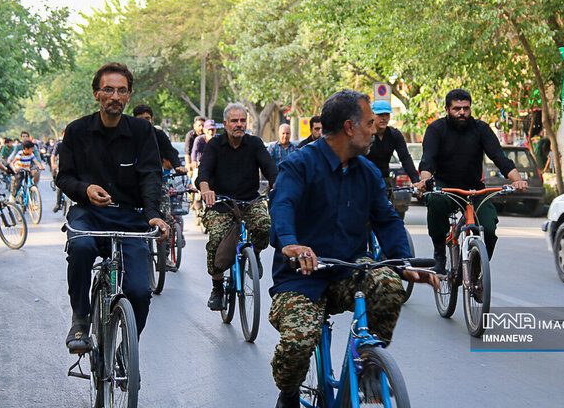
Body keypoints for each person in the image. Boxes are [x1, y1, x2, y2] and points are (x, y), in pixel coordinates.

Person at [267, 90, 438, 407]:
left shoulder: (368, 172)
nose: (375, 130)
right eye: (370, 123)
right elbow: (282, 207)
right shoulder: (299, 165)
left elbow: (387, 221)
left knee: (388, 284)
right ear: (349, 127)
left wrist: (403, 263)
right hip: (301, 278)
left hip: (350, 271)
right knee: (298, 341)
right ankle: (289, 392)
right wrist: (290, 244)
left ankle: (368, 364)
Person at [56, 62, 169, 352]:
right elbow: (64, 177)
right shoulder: (77, 130)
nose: (114, 96)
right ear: (96, 94)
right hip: (88, 215)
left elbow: (151, 176)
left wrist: (154, 215)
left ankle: (127, 347)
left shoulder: (143, 131)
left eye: (121, 90)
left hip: (130, 219)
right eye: (108, 89)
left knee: (140, 292)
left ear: (128, 96)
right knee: (80, 248)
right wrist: (85, 189)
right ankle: (81, 317)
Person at [414, 89, 528, 273]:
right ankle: (439, 254)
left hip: (474, 190)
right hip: (445, 187)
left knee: (489, 229)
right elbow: (428, 160)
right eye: (456, 109)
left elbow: (499, 157)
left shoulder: (481, 129)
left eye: (466, 108)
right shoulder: (436, 129)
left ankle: (476, 271)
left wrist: (518, 180)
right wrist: (425, 181)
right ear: (447, 109)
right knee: (435, 202)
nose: (462, 113)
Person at [197, 102, 278, 310]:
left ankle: (255, 253)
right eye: (234, 121)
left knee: (264, 225)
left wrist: (277, 185)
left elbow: (270, 168)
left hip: (250, 201)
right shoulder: (215, 145)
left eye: (242, 120)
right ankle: (217, 287)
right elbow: (203, 173)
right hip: (221, 204)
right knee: (216, 239)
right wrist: (206, 190)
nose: (239, 124)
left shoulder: (255, 143)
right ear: (225, 124)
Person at [365, 100, 420, 219]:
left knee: (388, 216)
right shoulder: (365, 133)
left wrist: (416, 180)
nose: (384, 118)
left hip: (384, 180)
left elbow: (405, 158)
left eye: (387, 115)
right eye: (380, 115)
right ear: (372, 115)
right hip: (364, 179)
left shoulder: (394, 135)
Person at [132, 104, 186, 173]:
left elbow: (169, 150)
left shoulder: (158, 134)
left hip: (153, 173)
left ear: (152, 119)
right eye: (141, 119)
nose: (144, 122)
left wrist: (177, 165)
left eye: (147, 119)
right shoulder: (129, 134)